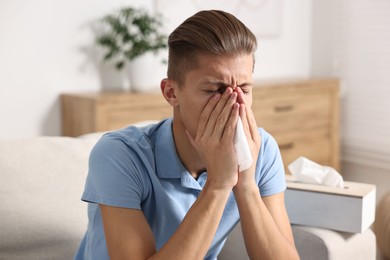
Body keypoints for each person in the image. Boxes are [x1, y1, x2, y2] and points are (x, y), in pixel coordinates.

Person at [74, 10, 299, 260]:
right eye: (215, 89)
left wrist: (245, 184)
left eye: (244, 89)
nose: (235, 104)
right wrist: (218, 184)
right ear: (171, 92)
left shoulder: (262, 149)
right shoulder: (119, 154)